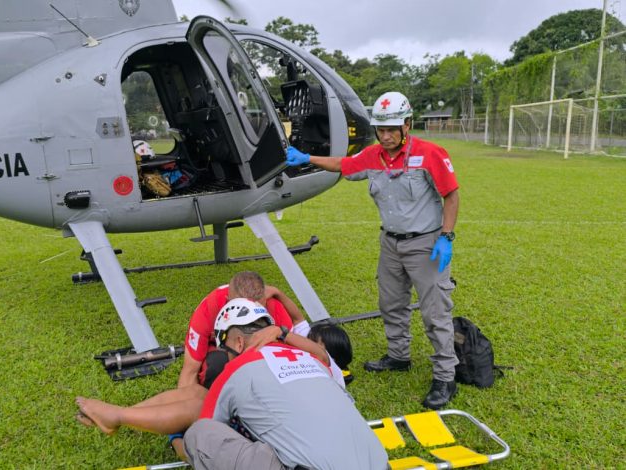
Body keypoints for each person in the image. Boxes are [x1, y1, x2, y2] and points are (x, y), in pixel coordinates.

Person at [285, 91, 460, 410]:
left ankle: (445, 376)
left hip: (426, 243)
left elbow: (451, 195)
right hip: (390, 243)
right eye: (381, 129)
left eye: (392, 129)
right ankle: (398, 356)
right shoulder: (374, 155)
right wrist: (307, 158)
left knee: (435, 311)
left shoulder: (430, 154)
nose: (386, 135)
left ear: (407, 125)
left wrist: (446, 236)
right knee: (391, 303)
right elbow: (342, 164)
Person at [75, 299, 330, 439]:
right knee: (197, 393)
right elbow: (323, 357)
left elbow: (215, 412)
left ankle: (120, 417)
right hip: (302, 423)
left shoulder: (247, 367)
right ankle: (120, 414)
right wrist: (282, 332)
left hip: (286, 439)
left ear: (239, 342)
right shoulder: (295, 351)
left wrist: (177, 439)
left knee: (200, 407)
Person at [181, 299, 389, 469]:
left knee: (199, 434)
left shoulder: (236, 368)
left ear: (239, 342)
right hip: (380, 463)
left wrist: (177, 440)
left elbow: (209, 424)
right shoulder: (312, 358)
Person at [179, 271, 308, 388]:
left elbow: (292, 362)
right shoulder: (208, 309)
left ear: (265, 301)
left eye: (257, 316)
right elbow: (190, 371)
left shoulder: (276, 308)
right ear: (228, 302)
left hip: (260, 353)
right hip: (221, 351)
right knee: (216, 365)